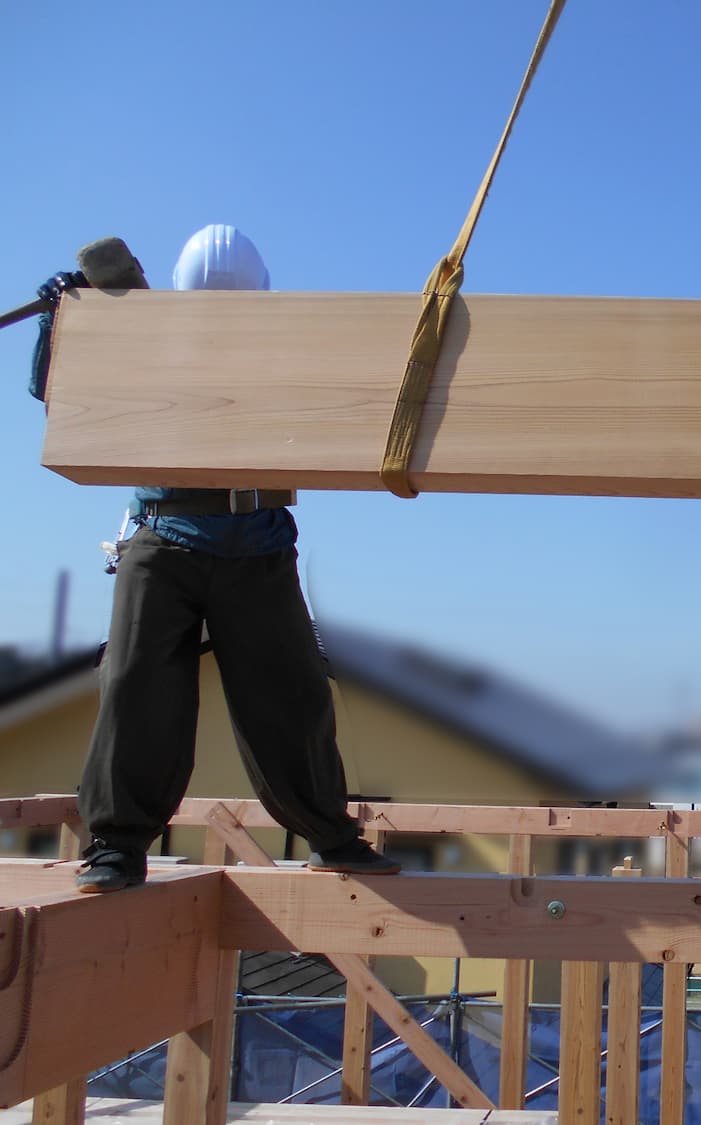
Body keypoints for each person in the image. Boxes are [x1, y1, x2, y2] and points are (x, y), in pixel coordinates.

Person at [31, 223, 399, 892]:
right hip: (163, 538)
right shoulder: (149, 340)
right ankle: (115, 846)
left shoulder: (281, 353)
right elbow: (58, 393)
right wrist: (65, 323)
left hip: (256, 540)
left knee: (291, 694)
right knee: (137, 688)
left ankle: (331, 835)